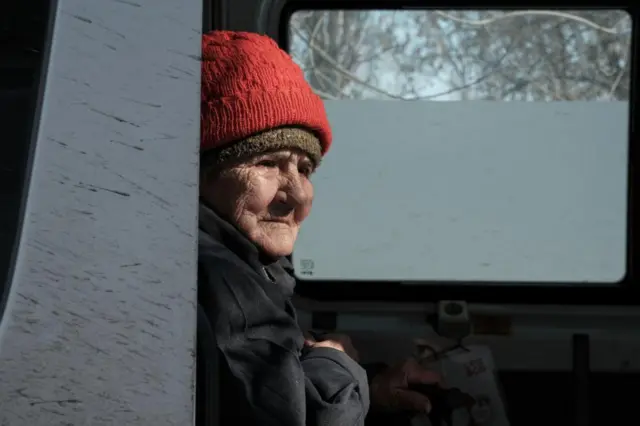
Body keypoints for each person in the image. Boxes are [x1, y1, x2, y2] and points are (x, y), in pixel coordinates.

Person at [197, 30, 441, 426]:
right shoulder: (219, 279)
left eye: (305, 169)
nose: (298, 195)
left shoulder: (249, 269)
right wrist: (337, 363)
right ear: (204, 172)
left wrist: (370, 388)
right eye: (267, 163)